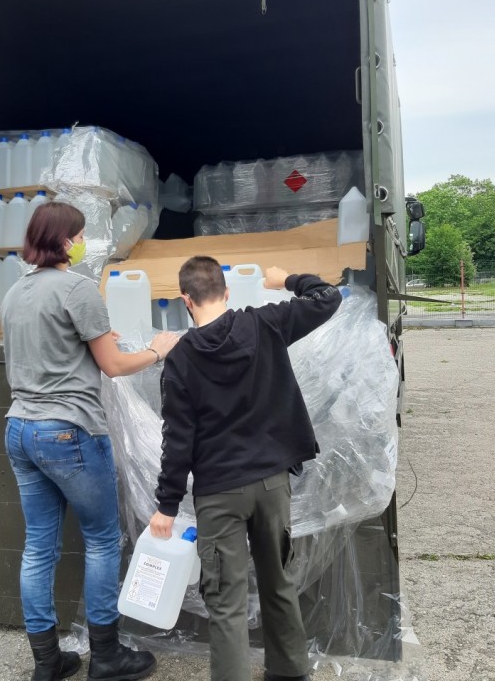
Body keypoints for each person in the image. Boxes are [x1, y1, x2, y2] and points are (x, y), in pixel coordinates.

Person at [1, 201, 179, 681]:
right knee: (102, 540)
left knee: (39, 547)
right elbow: (115, 366)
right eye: (78, 234)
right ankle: (106, 656)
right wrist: (155, 349)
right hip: (70, 431)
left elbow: (49, 347)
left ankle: (47, 663)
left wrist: (96, 335)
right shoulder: (78, 288)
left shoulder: (15, 292)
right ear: (64, 241)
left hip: (20, 429)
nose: (82, 241)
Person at [148, 256, 342, 681]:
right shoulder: (265, 323)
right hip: (273, 485)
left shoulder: (180, 361)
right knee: (279, 584)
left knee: (227, 604)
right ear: (227, 292)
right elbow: (329, 297)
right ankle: (290, 673)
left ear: (186, 301)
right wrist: (285, 279)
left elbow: (179, 441)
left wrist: (166, 506)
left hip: (219, 494)